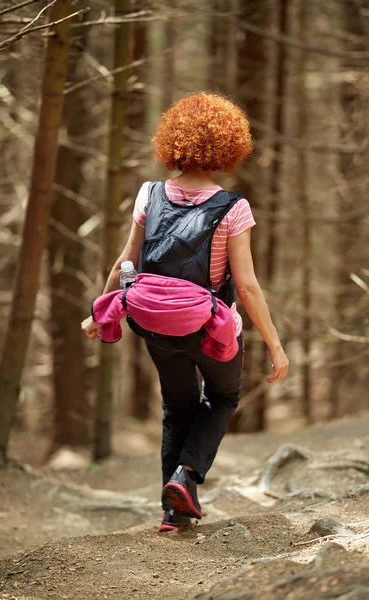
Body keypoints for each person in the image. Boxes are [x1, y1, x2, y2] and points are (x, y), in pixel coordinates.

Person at [82, 92, 289, 532]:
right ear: (230, 146)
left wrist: (100, 313)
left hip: (152, 321)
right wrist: (275, 346)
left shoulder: (149, 193)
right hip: (207, 326)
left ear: (173, 141)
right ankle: (187, 475)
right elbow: (248, 287)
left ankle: (173, 513)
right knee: (224, 397)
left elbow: (126, 261)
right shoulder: (234, 208)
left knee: (178, 407)